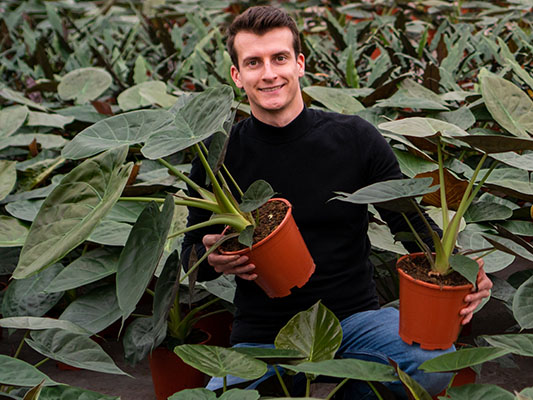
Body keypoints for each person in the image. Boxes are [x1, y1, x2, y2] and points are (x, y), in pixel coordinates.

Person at [180, 5, 493, 398]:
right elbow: (190, 253)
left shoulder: (355, 138)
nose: (270, 73)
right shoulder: (218, 156)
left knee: (431, 367)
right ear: (237, 75)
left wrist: (462, 270)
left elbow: (408, 225)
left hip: (352, 320)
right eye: (254, 62)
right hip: (263, 334)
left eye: (279, 58)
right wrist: (209, 260)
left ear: (299, 64)